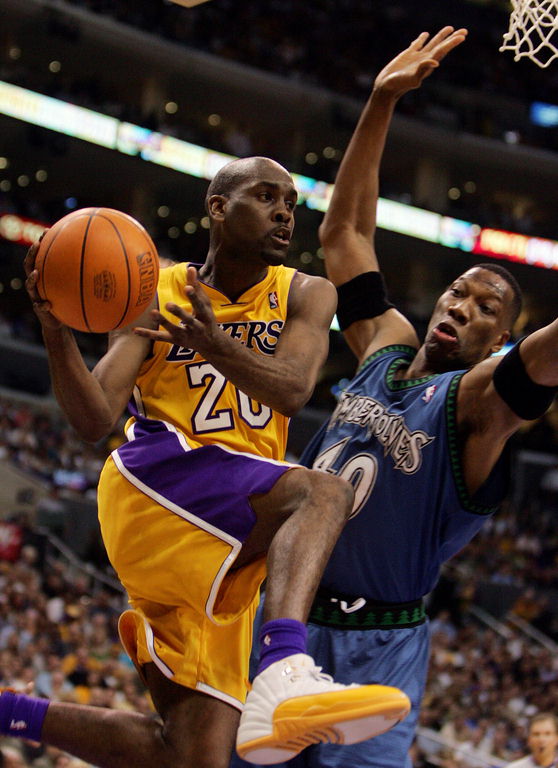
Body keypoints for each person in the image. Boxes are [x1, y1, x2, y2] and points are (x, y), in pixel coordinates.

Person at [2, 156, 411, 768]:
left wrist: (212, 342)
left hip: (231, 524)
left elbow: (294, 388)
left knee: (194, 755)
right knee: (324, 493)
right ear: (218, 207)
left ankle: (12, 712)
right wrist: (56, 331)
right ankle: (284, 666)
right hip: (157, 487)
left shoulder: (306, 291)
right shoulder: (156, 293)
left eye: (292, 204)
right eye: (267, 196)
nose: (283, 212)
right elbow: (93, 420)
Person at [234, 26, 558, 768]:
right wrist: (380, 101)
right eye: (458, 293)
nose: (462, 308)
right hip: (283, 620)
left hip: (379, 647)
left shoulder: (477, 404)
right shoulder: (383, 345)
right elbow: (344, 230)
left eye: (486, 311)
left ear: (498, 341)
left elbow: (542, 358)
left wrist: (522, 346)